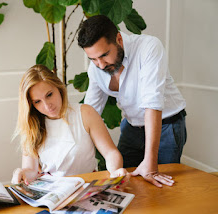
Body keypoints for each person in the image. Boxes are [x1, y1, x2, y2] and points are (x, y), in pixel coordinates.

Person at [78, 15, 186, 187]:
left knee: (160, 186)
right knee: (124, 182)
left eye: (104, 55)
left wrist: (150, 161)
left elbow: (153, 103)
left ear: (118, 39)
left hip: (167, 124)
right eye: (93, 59)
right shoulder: (96, 67)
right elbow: (90, 111)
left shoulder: (149, 47)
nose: (100, 65)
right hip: (132, 126)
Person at [11, 64, 128, 185]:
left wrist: (116, 171)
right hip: (53, 189)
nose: (47, 106)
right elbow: (30, 170)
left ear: (59, 88)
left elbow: (110, 153)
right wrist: (21, 173)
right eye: (37, 101)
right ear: (31, 105)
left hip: (87, 185)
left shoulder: (85, 113)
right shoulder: (32, 125)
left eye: (49, 95)